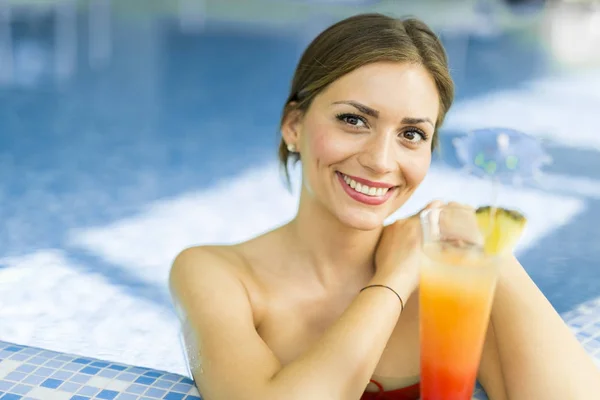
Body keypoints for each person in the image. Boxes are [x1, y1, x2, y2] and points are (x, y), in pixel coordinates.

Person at [169, 13, 600, 400]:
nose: (380, 160)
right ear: (294, 125)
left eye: (411, 134)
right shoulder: (217, 276)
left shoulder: (453, 285)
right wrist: (395, 278)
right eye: (354, 120)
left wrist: (491, 250)